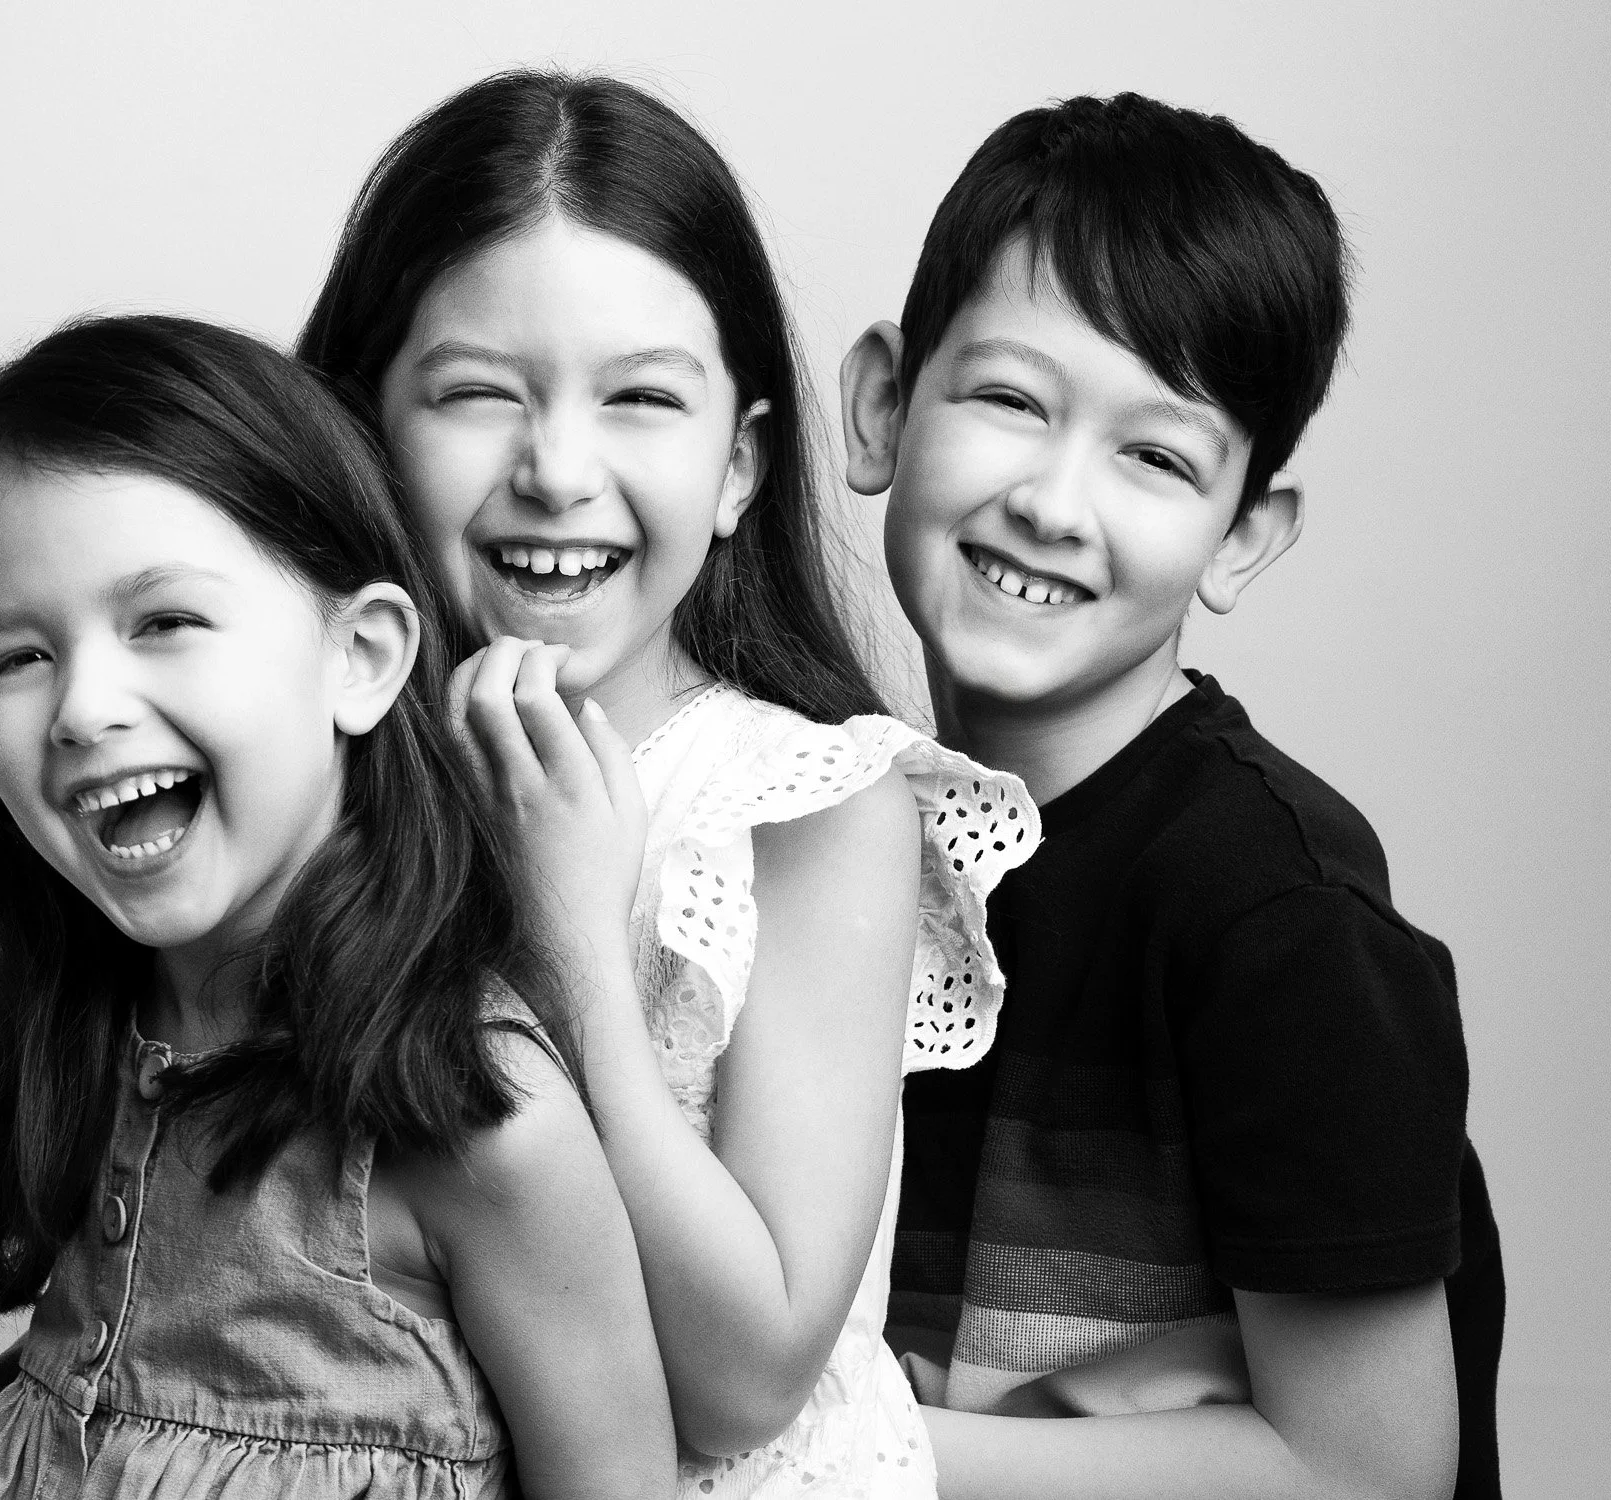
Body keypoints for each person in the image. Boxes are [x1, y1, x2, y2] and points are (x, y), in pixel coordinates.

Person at [298, 70, 1038, 1498]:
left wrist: (575, 941)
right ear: (362, 428)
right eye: (474, 395)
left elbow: (746, 1381)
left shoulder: (812, 807)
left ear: (740, 468)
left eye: (641, 399)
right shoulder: (319, 783)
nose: (557, 469)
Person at [0, 314, 674, 1499]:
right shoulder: (96, 1035)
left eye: (164, 622)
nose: (84, 708)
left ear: (360, 656)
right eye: (17, 657)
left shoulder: (482, 1120)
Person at [841, 94, 1504, 1499]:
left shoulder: (1274, 913)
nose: (1055, 505)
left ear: (1242, 535)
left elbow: (1368, 1472)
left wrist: (838, 1462)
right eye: (1011, 401)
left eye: (1155, 457)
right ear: (883, 407)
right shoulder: (835, 832)